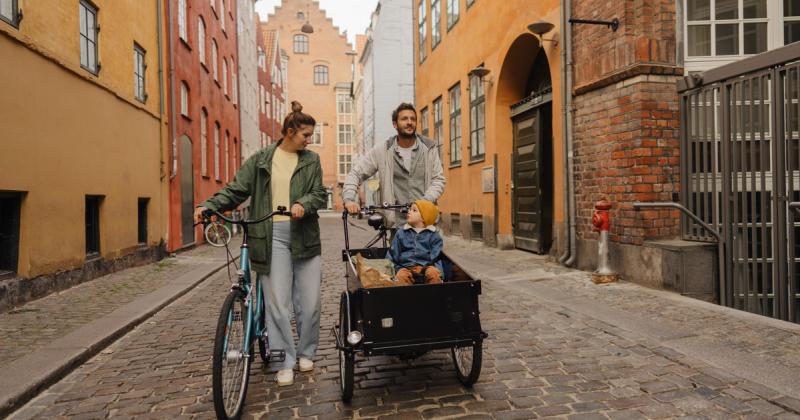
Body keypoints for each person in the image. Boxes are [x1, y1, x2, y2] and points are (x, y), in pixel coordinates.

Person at [194, 101, 326, 387]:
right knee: (278, 303)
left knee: (310, 302)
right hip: (270, 236)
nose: (309, 140)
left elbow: (319, 194)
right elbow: (236, 190)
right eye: (305, 135)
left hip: (305, 236)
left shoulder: (311, 161)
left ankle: (306, 352)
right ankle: (282, 360)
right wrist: (210, 205)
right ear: (290, 132)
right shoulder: (261, 160)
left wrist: (304, 202)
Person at [342, 103, 445, 226]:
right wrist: (349, 199)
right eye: (404, 119)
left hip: (425, 223)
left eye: (413, 119)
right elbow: (356, 173)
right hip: (396, 224)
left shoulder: (429, 148)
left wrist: (423, 203)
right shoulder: (383, 150)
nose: (409, 122)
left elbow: (438, 180)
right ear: (395, 124)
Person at [388, 200, 444, 285]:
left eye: (414, 210)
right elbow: (393, 254)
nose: (409, 211)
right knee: (400, 277)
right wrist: (392, 271)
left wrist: (439, 273)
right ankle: (401, 297)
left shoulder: (433, 235)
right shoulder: (401, 233)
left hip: (425, 267)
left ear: (424, 218)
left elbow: (436, 257)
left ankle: (435, 295)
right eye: (410, 209)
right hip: (405, 267)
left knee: (434, 273)